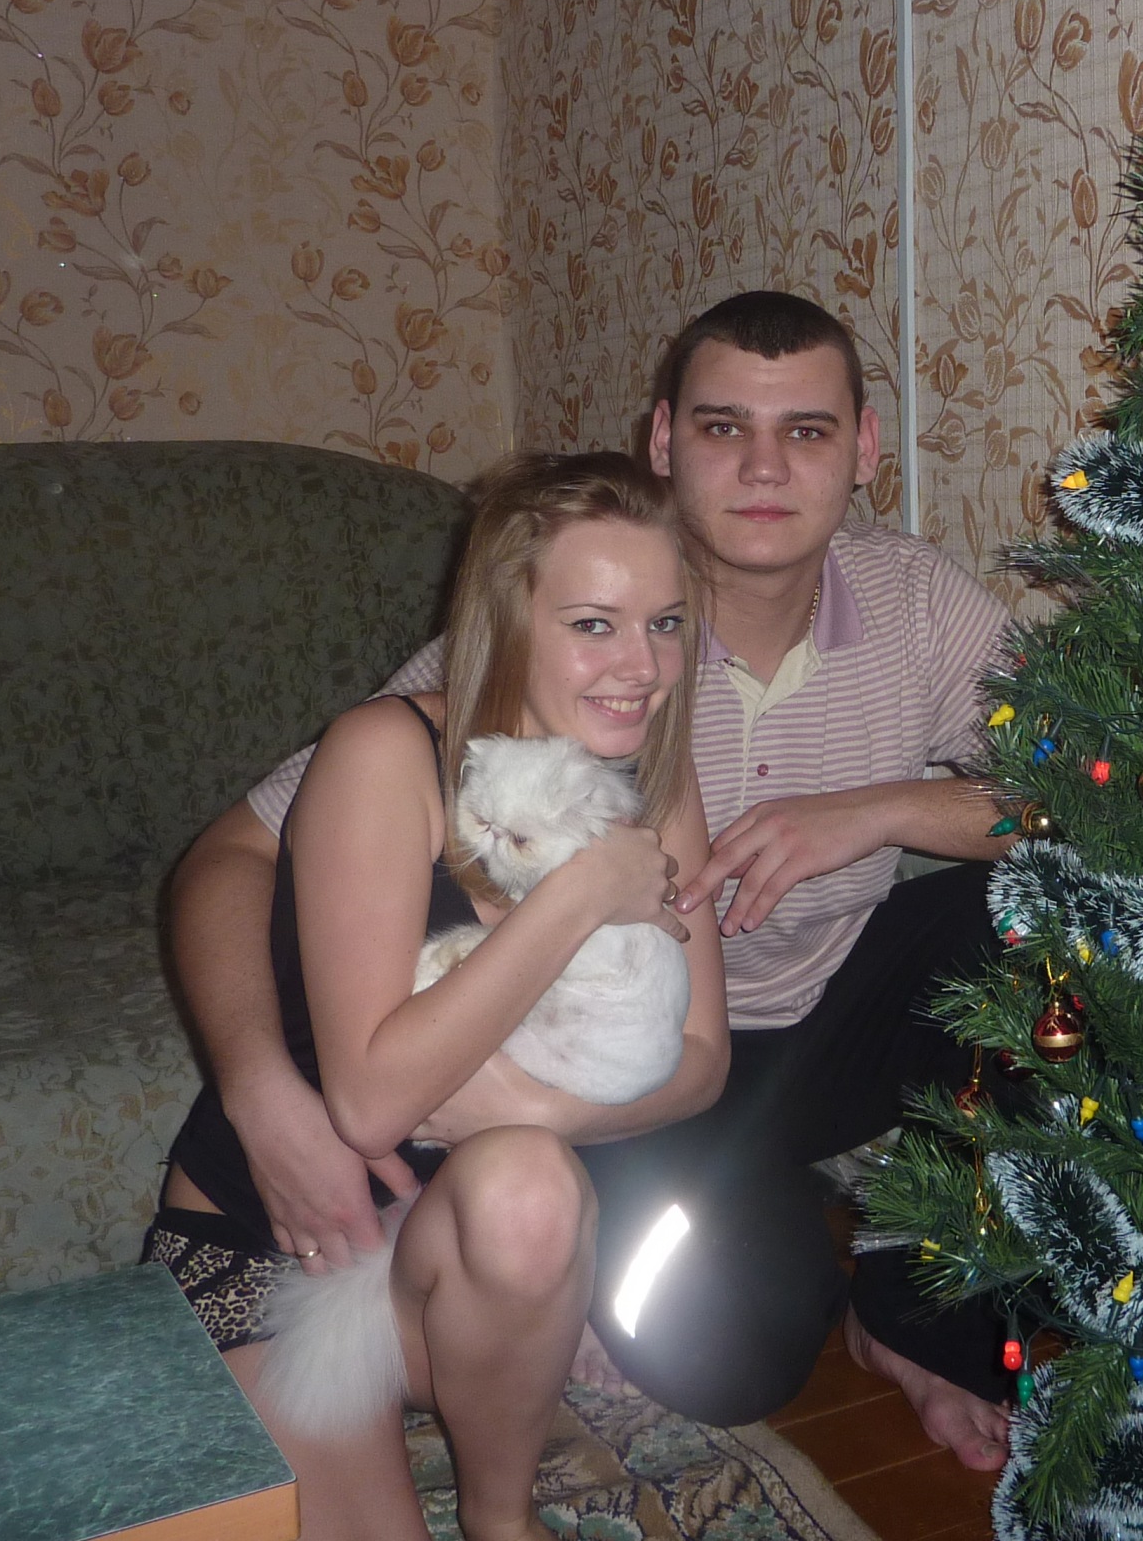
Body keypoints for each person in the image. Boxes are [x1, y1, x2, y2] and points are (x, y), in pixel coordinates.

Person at [169, 292, 1017, 1468]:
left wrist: (882, 810)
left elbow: (1119, 794)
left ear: (865, 449)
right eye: (722, 428)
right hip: (630, 1063)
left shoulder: (920, 605)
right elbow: (232, 853)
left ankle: (913, 1316)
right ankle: (638, 1259)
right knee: (738, 1361)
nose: (764, 467)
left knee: (1047, 920)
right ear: (662, 442)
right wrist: (260, 1088)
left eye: (807, 431)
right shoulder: (563, 633)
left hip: (824, 1023)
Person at [145, 453, 727, 1541]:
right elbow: (370, 1105)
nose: (642, 667)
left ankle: (500, 1520)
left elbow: (703, 1062)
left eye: (665, 623)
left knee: (528, 1183)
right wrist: (579, 897)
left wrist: (532, 1112)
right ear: (507, 621)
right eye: (593, 625)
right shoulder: (386, 752)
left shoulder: (658, 778)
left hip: (444, 1257)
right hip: (285, 1249)